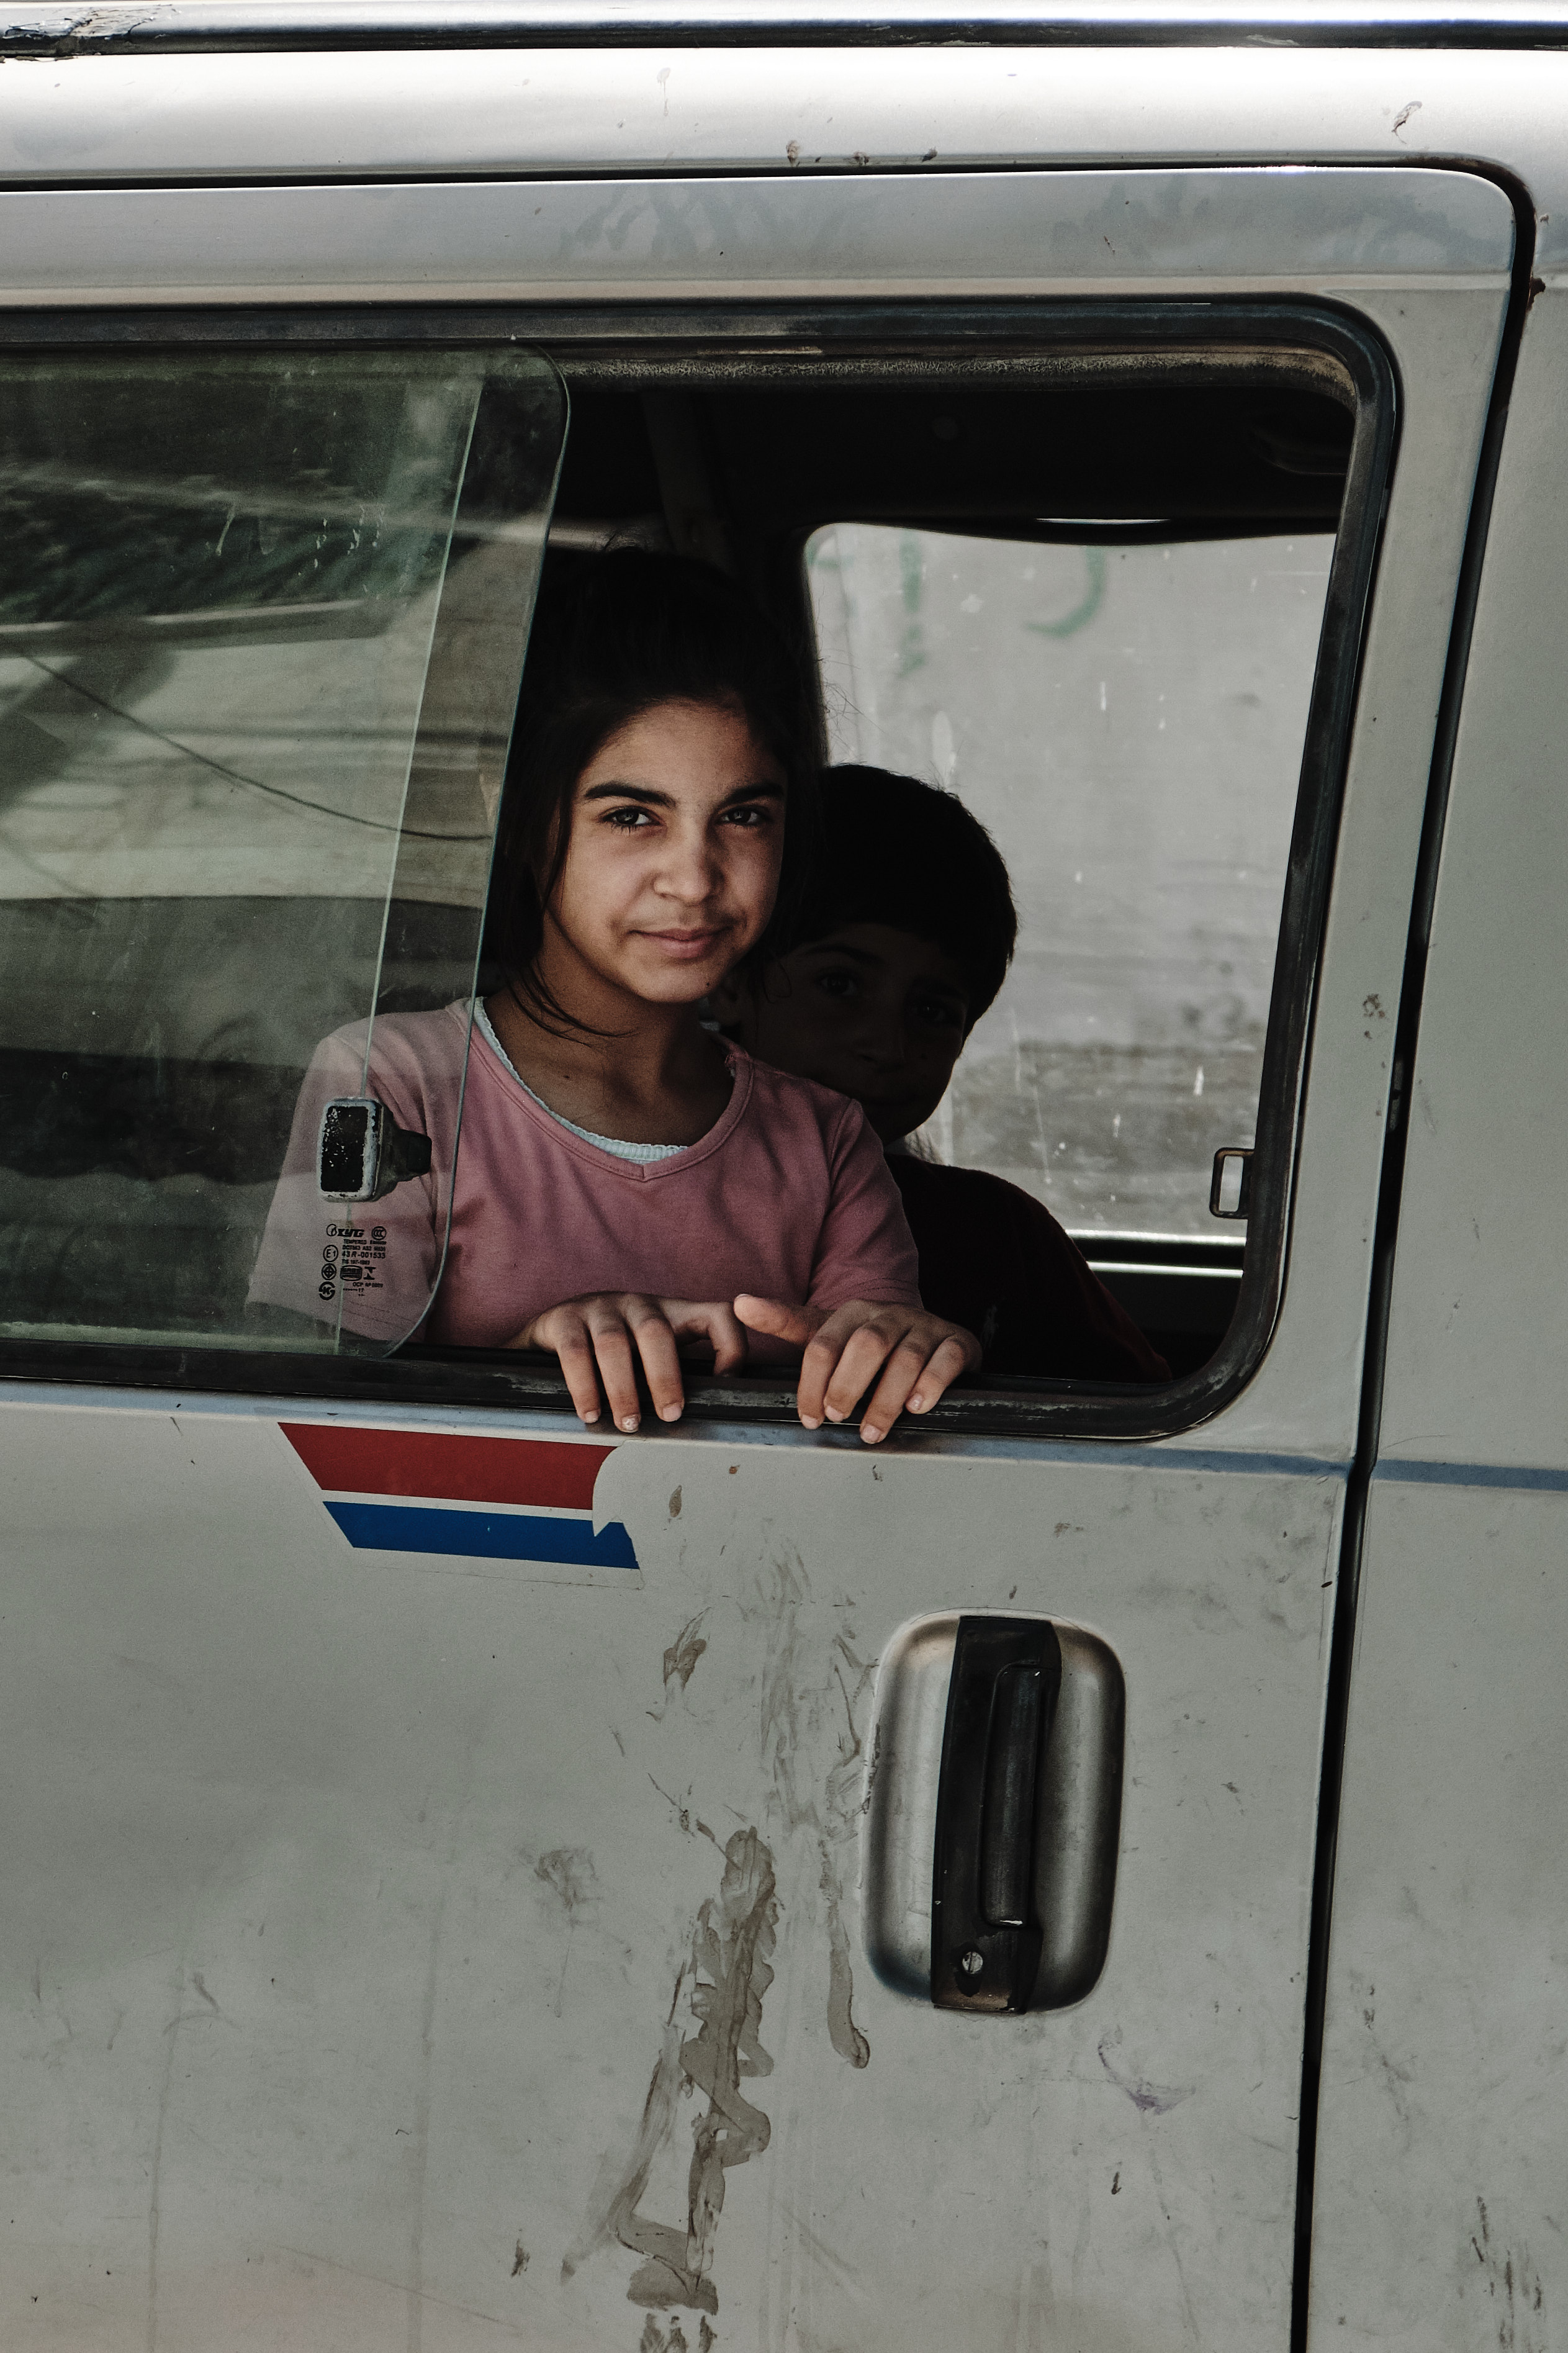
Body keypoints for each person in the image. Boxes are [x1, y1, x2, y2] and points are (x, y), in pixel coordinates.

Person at [250, 556, 980, 1442]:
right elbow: (309, 1411)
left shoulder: (825, 1138)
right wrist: (528, 1354)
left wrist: (904, 1350)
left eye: (744, 816)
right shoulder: (389, 1083)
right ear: (518, 816)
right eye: (633, 816)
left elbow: (873, 1369)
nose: (693, 877)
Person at [713, 764, 1169, 1384]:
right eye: (840, 984)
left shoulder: (998, 1236)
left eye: (931, 1010)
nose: (887, 1043)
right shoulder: (643, 1193)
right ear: (735, 980)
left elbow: (1142, 1424)